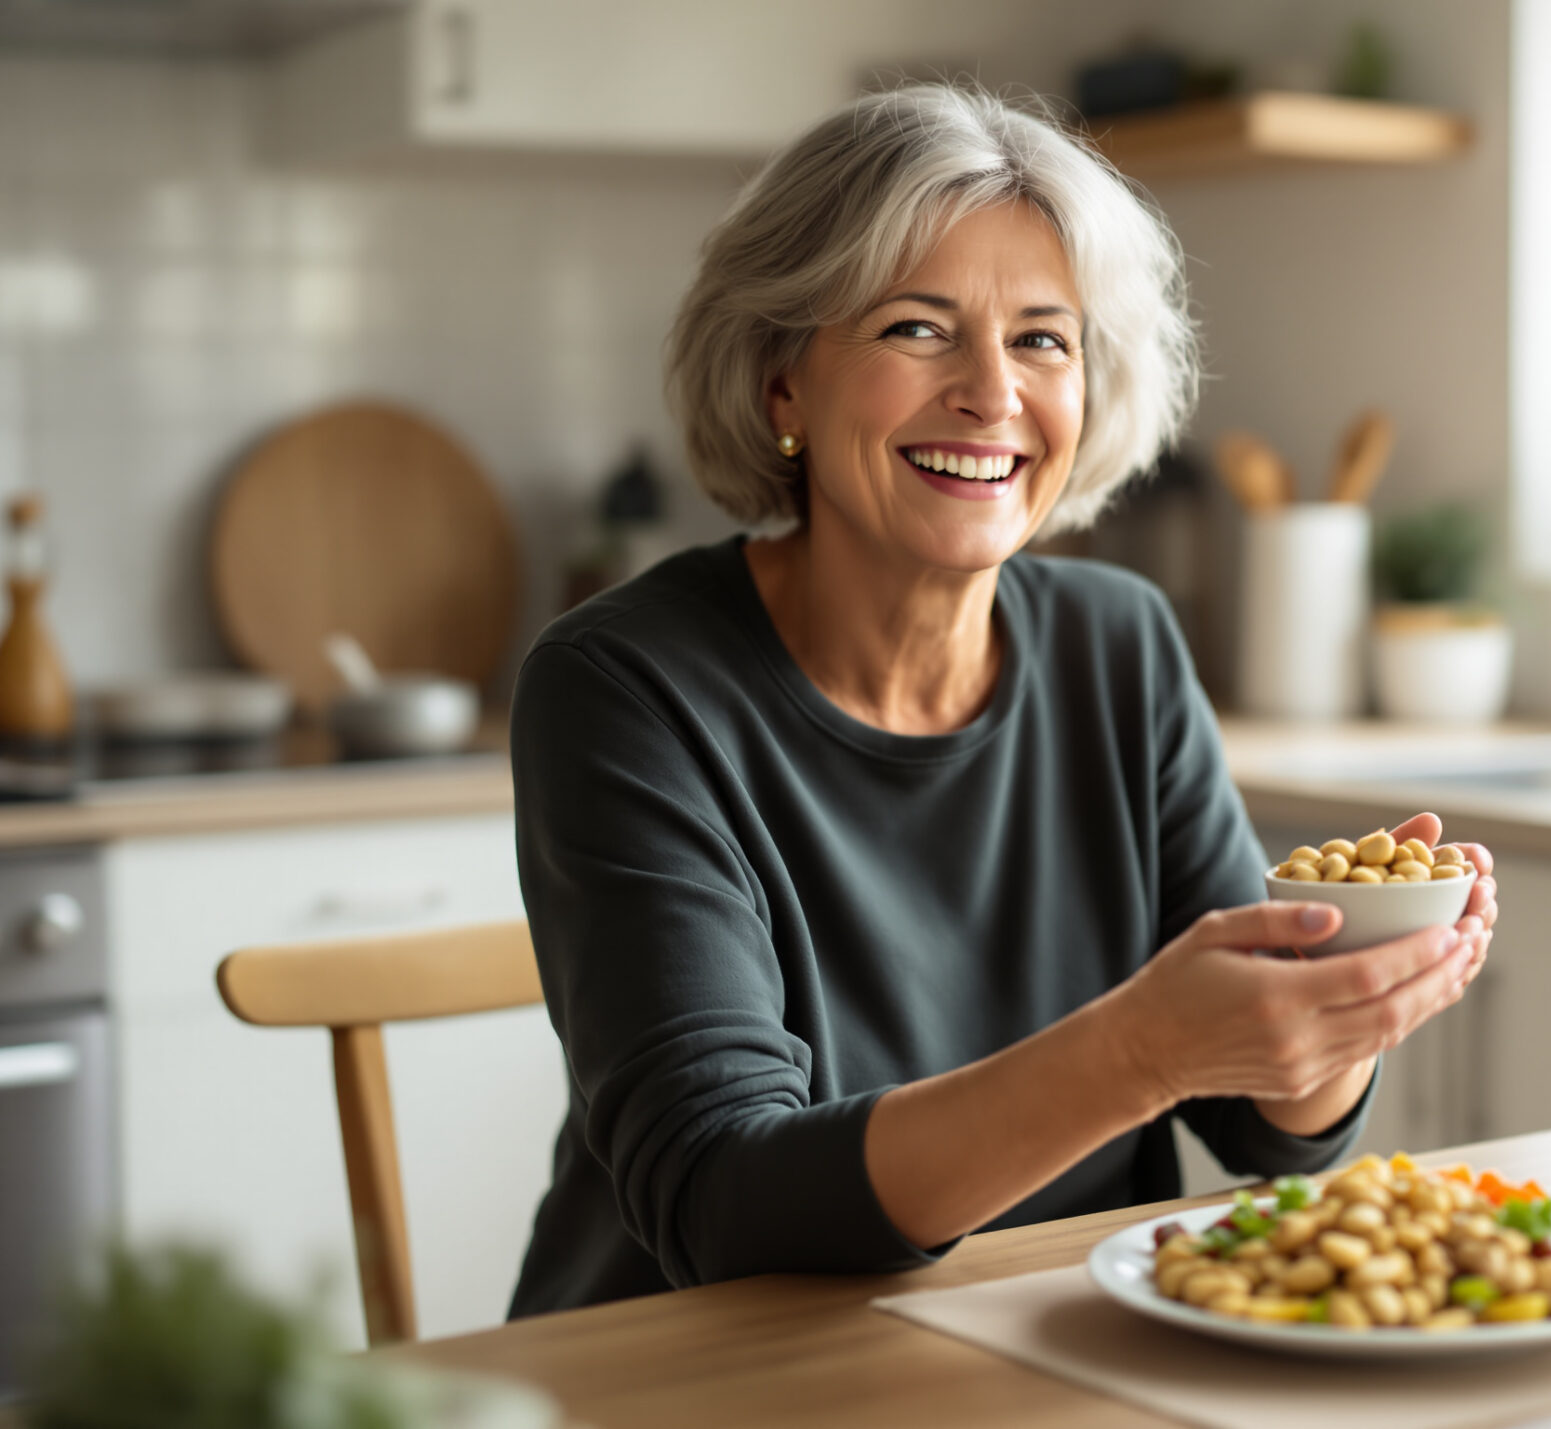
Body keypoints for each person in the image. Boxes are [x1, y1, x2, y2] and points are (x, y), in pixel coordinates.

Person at [506, 85, 1497, 1317]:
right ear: (782, 385)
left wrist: (1337, 1004)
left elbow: (1267, 1132)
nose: (992, 391)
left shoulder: (1121, 643)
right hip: (698, 1367)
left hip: (1045, 1341)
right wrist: (1141, 1051)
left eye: (1042, 339)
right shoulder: (625, 685)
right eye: (917, 328)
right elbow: (721, 1203)